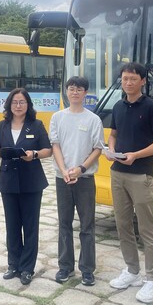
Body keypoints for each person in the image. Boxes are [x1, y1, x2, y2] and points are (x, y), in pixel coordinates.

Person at [105, 62, 153, 304]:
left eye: (133, 79)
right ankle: (132, 271)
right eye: (125, 78)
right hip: (117, 172)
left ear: (143, 81)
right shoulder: (118, 106)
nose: (128, 82)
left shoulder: (151, 107)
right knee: (122, 225)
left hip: (141, 175)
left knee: (147, 228)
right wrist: (111, 150)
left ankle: (152, 281)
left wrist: (136, 155)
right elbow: (113, 134)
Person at [0, 88, 52, 285]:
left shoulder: (36, 125)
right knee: (12, 225)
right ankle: (13, 265)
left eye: (22, 102)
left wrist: (34, 154)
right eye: (14, 102)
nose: (18, 106)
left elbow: (48, 150)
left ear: (28, 105)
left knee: (30, 226)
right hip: (8, 181)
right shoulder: (1, 126)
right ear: (9, 105)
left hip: (31, 181)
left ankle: (27, 268)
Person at [49, 76, 103, 286]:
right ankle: (65, 267)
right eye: (71, 89)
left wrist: (80, 169)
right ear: (66, 91)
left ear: (85, 93)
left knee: (87, 225)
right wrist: (64, 170)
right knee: (64, 223)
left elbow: (97, 148)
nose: (75, 92)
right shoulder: (57, 117)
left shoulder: (93, 119)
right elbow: (55, 145)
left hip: (85, 178)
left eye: (79, 89)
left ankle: (87, 270)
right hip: (62, 177)